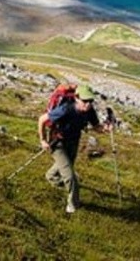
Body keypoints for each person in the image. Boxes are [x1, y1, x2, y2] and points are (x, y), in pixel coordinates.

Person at [37, 83, 110, 213]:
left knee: (67, 166)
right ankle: (73, 206)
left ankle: (51, 177)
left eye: (90, 100)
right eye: (85, 100)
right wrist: (43, 140)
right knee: (71, 177)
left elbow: (96, 127)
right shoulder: (65, 109)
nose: (88, 104)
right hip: (57, 143)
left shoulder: (89, 111)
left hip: (73, 142)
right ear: (76, 98)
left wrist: (105, 128)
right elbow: (42, 119)